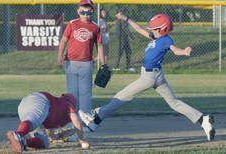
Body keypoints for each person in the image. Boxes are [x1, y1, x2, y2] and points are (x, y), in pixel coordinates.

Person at [79, 13, 216, 141]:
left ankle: (95, 116)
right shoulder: (154, 37)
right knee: (174, 103)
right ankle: (203, 119)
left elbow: (175, 50)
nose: (152, 30)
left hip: (149, 77)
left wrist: (184, 52)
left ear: (163, 29)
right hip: (156, 75)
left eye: (155, 29)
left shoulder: (165, 40)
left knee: (121, 96)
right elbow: (139, 29)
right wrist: (126, 18)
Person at [57, 0, 105, 115]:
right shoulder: (72, 24)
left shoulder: (95, 27)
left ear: (92, 12)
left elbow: (99, 46)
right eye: (83, 12)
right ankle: (72, 118)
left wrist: (103, 64)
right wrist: (59, 57)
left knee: (86, 93)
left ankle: (85, 118)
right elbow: (63, 41)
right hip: (70, 63)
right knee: (72, 93)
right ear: (78, 11)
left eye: (88, 12)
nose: (85, 15)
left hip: (86, 64)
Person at [6, 92, 89, 153]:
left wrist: (58, 136)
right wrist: (82, 140)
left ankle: (23, 142)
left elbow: (50, 134)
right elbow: (76, 121)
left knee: (45, 142)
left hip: (25, 104)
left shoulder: (57, 108)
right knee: (32, 121)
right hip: (39, 100)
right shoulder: (67, 104)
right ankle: (18, 134)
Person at [114, 8, 135, 72]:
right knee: (122, 52)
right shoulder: (120, 19)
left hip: (123, 38)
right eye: (121, 13)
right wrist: (131, 36)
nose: (123, 14)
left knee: (127, 52)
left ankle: (127, 66)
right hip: (122, 38)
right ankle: (117, 66)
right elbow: (125, 28)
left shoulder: (118, 19)